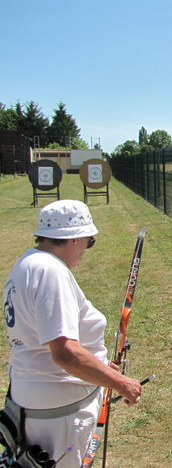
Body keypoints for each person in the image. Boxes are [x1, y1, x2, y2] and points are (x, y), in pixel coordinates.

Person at [2, 200, 143, 468]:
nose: (86, 249)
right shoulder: (51, 272)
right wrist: (120, 382)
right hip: (58, 414)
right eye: (89, 241)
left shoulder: (27, 264)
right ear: (76, 238)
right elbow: (65, 353)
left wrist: (100, 367)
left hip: (37, 404)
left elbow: (41, 339)